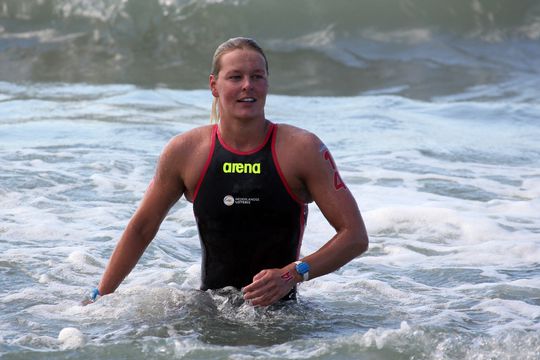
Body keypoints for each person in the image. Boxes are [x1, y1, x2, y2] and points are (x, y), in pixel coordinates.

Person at [88, 37, 368, 307]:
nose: (248, 86)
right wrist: (99, 297)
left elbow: (354, 236)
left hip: (283, 318)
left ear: (267, 83)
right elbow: (141, 229)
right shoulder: (186, 151)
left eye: (257, 76)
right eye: (235, 77)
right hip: (208, 310)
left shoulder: (302, 149)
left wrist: (292, 274)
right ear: (214, 85)